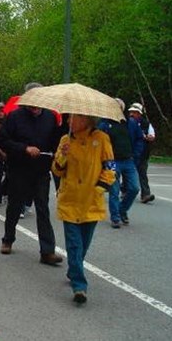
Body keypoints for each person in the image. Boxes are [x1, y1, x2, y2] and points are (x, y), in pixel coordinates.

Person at [52, 114, 116, 304]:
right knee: (74, 244)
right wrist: (63, 155)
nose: (69, 121)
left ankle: (74, 270)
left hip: (91, 200)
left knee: (84, 243)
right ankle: (79, 286)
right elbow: (57, 170)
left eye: (74, 118)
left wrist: (101, 187)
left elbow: (110, 166)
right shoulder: (65, 139)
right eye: (69, 118)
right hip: (70, 199)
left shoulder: (101, 138)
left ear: (86, 120)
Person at [0, 82, 63, 265]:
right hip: (19, 168)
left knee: (43, 208)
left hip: (41, 170)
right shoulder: (15, 117)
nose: (35, 106)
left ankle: (47, 251)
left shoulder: (50, 117)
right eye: (32, 101)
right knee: (15, 206)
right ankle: (8, 239)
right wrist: (24, 148)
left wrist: (59, 148)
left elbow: (55, 141)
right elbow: (2, 140)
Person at [98, 99, 143, 228]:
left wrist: (136, 155)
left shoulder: (131, 123)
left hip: (129, 160)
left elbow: (140, 139)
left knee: (134, 188)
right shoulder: (105, 124)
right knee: (114, 191)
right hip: (112, 162)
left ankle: (122, 210)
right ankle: (115, 218)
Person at [128, 103, 155, 203]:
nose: (131, 114)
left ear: (139, 113)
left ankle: (145, 194)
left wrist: (147, 137)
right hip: (129, 153)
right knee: (128, 173)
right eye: (131, 112)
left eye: (134, 112)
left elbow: (152, 136)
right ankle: (125, 190)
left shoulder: (146, 124)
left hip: (143, 153)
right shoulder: (126, 123)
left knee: (142, 174)